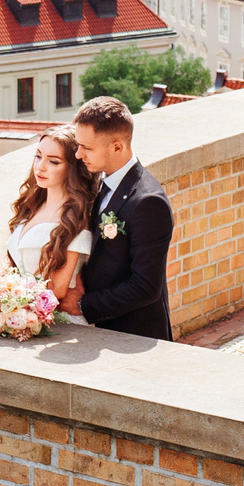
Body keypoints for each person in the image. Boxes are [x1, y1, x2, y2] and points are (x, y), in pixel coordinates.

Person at [69, 96, 175, 341]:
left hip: (134, 334)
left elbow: (145, 287)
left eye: (87, 148)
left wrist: (84, 305)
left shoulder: (148, 203)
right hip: (101, 332)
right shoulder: (100, 178)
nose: (78, 154)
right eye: (78, 145)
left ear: (117, 147)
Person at [4, 126, 96, 323]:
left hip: (60, 323)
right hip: (23, 317)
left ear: (73, 168)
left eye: (53, 161)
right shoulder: (31, 206)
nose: (40, 167)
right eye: (38, 156)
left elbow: (58, 289)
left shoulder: (76, 218)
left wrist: (8, 306)